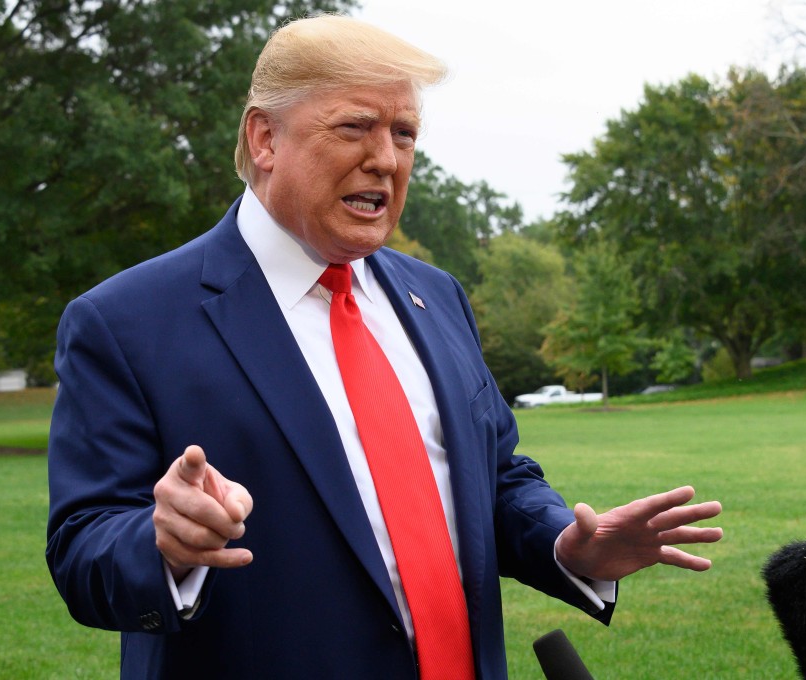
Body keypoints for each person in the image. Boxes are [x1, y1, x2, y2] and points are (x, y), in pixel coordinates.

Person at [46, 14, 723, 680]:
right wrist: (163, 544)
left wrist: (564, 544)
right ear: (265, 138)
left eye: (404, 133)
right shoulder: (125, 322)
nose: (387, 158)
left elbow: (494, 478)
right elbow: (83, 549)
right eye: (354, 127)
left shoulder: (438, 296)